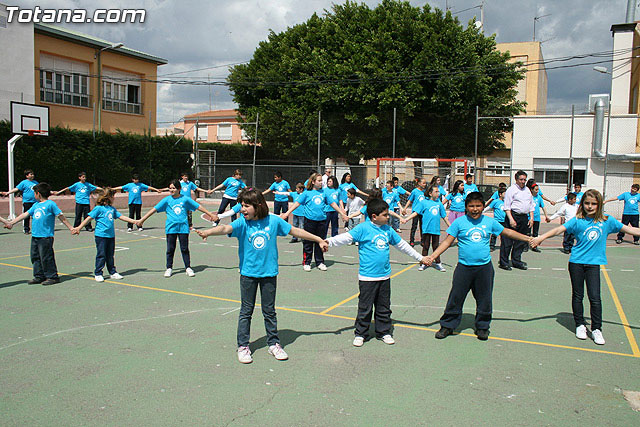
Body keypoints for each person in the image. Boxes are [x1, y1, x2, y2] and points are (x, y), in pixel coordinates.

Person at [196, 189, 329, 363]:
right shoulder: (242, 223)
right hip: (248, 275)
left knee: (269, 311)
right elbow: (225, 228)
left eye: (246, 206)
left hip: (269, 274)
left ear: (258, 205)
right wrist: (208, 232)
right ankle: (243, 346)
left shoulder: (273, 220)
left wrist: (318, 239)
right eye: (241, 205)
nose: (242, 209)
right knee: (246, 311)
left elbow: (296, 231)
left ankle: (273, 344)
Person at [531, 189, 640, 346]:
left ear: (599, 204)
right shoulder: (577, 220)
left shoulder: (607, 221)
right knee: (578, 295)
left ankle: (596, 329)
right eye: (587, 203)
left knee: (595, 297)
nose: (590, 206)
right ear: (582, 204)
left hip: (593, 265)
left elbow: (630, 229)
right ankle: (580, 325)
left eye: (593, 204)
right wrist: (541, 237)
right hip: (576, 262)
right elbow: (558, 230)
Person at [424, 192, 532, 340]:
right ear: (466, 207)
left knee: (484, 298)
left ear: (483, 206)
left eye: (478, 206)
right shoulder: (459, 223)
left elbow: (507, 232)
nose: (475, 209)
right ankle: (447, 325)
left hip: (484, 268)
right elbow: (447, 242)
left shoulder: (489, 222)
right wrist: (432, 257)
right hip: (464, 268)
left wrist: (528, 239)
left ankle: (482, 326)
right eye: (471, 206)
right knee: (456, 297)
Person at [326, 198, 428, 347]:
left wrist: (420, 258)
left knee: (383, 307)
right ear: (374, 216)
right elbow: (345, 238)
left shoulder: (388, 230)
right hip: (367, 277)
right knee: (365, 307)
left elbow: (403, 246)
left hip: (384, 276)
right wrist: (328, 242)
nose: (388, 217)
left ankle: (384, 332)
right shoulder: (363, 228)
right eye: (385, 215)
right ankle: (361, 333)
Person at [137, 179, 216, 278]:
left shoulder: (185, 199)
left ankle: (188, 267)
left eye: (173, 188)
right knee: (170, 249)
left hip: (183, 228)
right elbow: (154, 209)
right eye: (170, 188)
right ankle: (169, 268)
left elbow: (198, 206)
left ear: (179, 189)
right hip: (171, 228)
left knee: (184, 248)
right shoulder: (166, 200)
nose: (171, 190)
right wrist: (142, 220)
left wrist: (210, 214)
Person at [4, 182, 73, 285]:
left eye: (34, 193)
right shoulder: (35, 205)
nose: (34, 195)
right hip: (35, 236)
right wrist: (11, 223)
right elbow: (25, 214)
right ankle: (39, 276)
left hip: (45, 237)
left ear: (38, 194)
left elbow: (61, 216)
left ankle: (52, 276)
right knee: (35, 257)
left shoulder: (50, 204)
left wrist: (71, 228)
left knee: (46, 257)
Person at [280, 172, 348, 271]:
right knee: (308, 242)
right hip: (309, 221)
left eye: (322, 181)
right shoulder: (307, 193)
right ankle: (307, 262)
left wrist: (342, 213)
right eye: (319, 181)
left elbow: (333, 204)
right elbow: (297, 203)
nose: (321, 182)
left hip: (322, 221)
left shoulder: (324, 193)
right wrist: (287, 213)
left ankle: (320, 262)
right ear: (313, 182)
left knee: (320, 241)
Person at [72, 188, 137, 282]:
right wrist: (79, 227)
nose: (114, 198)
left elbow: (121, 216)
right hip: (101, 236)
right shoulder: (98, 208)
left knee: (110, 255)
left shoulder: (112, 209)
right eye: (112, 197)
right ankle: (98, 273)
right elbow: (89, 218)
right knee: (101, 255)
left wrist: (134, 221)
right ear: (107, 197)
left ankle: (112, 272)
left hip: (111, 236)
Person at [403, 185, 450, 272]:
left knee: (436, 247)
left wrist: (450, 226)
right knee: (425, 246)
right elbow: (416, 213)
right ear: (430, 193)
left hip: (436, 229)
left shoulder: (439, 203)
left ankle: (438, 263)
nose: (438, 193)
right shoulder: (424, 202)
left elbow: (444, 216)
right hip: (426, 229)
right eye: (436, 192)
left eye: (438, 192)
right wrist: (406, 219)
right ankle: (423, 263)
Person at [499, 170, 534, 271]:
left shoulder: (527, 190)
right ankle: (504, 262)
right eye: (521, 179)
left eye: (524, 180)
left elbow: (531, 205)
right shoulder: (511, 190)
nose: (523, 181)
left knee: (521, 241)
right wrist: (511, 219)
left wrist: (531, 218)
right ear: (516, 179)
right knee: (507, 241)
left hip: (524, 218)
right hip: (513, 216)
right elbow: (507, 206)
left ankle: (516, 261)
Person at [1, 169, 38, 234]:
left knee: (36, 216)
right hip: (27, 202)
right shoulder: (24, 182)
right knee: (26, 216)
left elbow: (41, 190)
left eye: (33, 174)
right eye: (31, 174)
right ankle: (26, 229)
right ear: (27, 176)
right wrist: (8, 193)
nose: (32, 175)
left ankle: (37, 229)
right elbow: (17, 189)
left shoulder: (36, 183)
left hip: (35, 202)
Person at [403, 177, 427, 247]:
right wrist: (404, 208)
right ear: (419, 183)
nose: (425, 184)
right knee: (414, 226)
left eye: (425, 183)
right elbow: (409, 200)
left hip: (423, 212)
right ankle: (412, 240)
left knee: (422, 227)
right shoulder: (414, 191)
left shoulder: (425, 192)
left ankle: (423, 241)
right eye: (423, 183)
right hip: (415, 212)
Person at [528, 180, 549, 253]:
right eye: (536, 190)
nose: (537, 191)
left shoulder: (539, 198)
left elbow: (543, 207)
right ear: (532, 190)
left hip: (537, 218)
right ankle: (525, 246)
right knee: (527, 233)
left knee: (535, 233)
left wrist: (546, 216)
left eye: (538, 190)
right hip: (529, 218)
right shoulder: (529, 197)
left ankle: (534, 246)